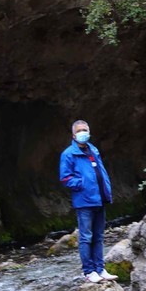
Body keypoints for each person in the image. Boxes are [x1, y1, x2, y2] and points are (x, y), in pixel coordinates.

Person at [59, 119, 116, 282]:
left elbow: (100, 172)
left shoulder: (93, 150)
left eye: (85, 130)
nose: (83, 133)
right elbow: (65, 178)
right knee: (86, 237)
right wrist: (82, 184)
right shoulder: (68, 154)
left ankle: (100, 269)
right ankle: (89, 272)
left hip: (99, 199)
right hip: (84, 201)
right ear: (73, 134)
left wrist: (106, 191)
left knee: (98, 236)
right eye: (79, 130)